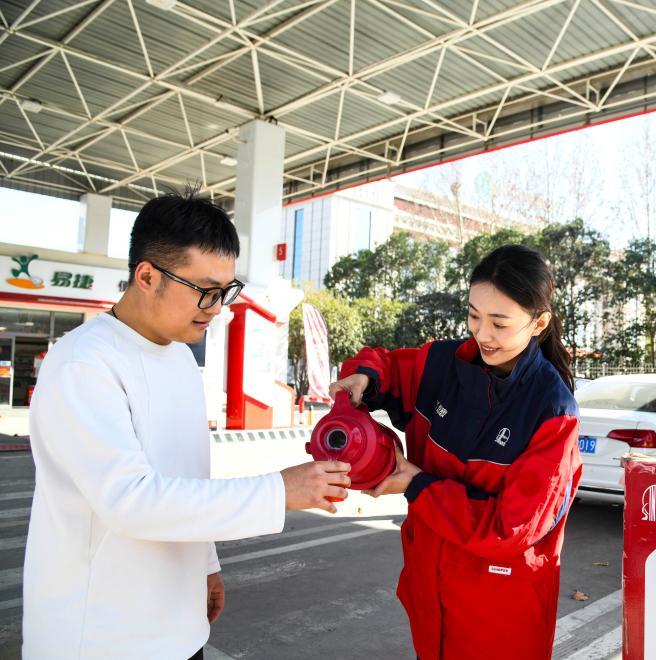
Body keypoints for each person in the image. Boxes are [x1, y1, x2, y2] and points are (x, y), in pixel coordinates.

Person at [22, 192, 351, 660]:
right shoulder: (84, 363)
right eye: (205, 289)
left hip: (179, 629)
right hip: (99, 635)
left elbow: (187, 474)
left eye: (225, 291)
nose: (216, 307)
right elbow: (131, 500)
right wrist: (278, 490)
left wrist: (205, 562)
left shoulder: (179, 356)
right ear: (147, 276)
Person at [329, 244, 582, 660]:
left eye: (499, 323)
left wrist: (416, 484)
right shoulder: (440, 365)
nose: (482, 334)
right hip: (431, 593)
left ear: (538, 322)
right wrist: (364, 377)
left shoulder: (552, 412)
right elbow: (386, 364)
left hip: (500, 614)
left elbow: (509, 529)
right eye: (473, 315)